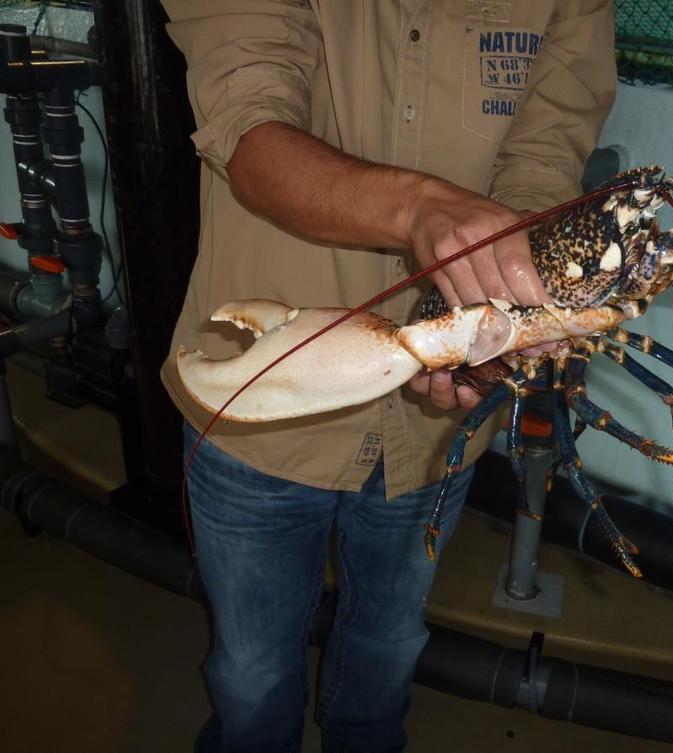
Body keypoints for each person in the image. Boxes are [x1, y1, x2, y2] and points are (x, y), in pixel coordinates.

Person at [159, 1, 616, 751]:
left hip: (433, 432)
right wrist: (420, 209)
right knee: (249, 670)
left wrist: (500, 331)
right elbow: (249, 128)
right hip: (262, 398)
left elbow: (541, 163)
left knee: (389, 644)